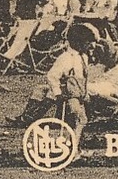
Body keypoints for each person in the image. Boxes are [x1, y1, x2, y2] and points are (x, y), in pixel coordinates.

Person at [18, 22, 94, 153]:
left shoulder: (84, 58)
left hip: (79, 94)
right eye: (87, 42)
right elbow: (52, 76)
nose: (90, 46)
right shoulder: (65, 58)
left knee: (76, 122)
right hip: (69, 96)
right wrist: (58, 93)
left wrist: (85, 94)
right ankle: (73, 149)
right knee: (79, 120)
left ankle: (73, 147)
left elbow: (83, 78)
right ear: (78, 42)